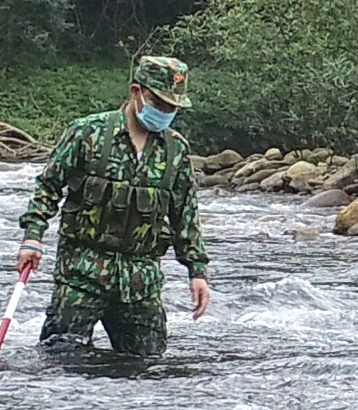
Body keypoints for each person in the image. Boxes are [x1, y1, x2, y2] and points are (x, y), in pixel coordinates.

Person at [15, 54, 212, 369]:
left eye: (172, 107)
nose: (165, 112)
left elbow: (185, 213)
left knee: (149, 369)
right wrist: (32, 237)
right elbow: (48, 186)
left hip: (141, 283)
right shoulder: (87, 133)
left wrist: (197, 271)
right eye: (158, 103)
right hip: (81, 275)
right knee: (58, 366)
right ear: (136, 92)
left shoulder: (175, 150)